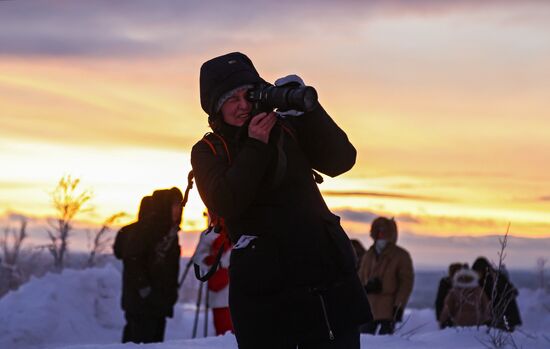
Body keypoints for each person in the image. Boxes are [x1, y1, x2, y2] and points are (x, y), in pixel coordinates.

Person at [191, 52, 370, 349]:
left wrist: (311, 115)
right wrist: (255, 146)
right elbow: (226, 202)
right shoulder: (208, 151)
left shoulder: (287, 128)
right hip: (267, 296)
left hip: (327, 282)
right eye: (231, 99)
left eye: (247, 94)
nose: (244, 105)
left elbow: (341, 161)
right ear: (215, 107)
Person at [122, 187, 183, 343]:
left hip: (159, 304)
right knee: (138, 343)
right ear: (165, 206)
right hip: (142, 305)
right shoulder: (145, 229)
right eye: (175, 205)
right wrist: (145, 289)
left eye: (180, 205)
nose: (179, 209)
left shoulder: (170, 233)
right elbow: (132, 259)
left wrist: (170, 293)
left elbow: (169, 269)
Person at [358, 217, 414, 335]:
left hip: (388, 310)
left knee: (386, 343)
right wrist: (365, 288)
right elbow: (360, 278)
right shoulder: (369, 255)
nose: (381, 234)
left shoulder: (401, 256)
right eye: (378, 231)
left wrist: (398, 307)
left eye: (384, 232)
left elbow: (406, 284)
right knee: (365, 342)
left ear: (391, 234)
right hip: (368, 308)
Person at [113, 195, 154, 342]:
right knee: (141, 335)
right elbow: (134, 260)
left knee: (131, 330)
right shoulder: (147, 233)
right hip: (143, 292)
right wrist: (144, 285)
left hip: (129, 292)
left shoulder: (126, 230)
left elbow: (118, 253)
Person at [193, 210, 233, 335]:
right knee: (224, 336)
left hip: (239, 292)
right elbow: (198, 260)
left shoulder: (237, 231)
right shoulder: (208, 235)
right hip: (220, 296)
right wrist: (213, 261)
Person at [472, 257, 522, 332]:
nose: (476, 275)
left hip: (503, 314)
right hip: (506, 314)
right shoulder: (495, 277)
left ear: (481, 270)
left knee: (502, 335)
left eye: (477, 272)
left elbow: (492, 299)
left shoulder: (490, 280)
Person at [435, 262, 467, 328]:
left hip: (448, 317)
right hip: (458, 318)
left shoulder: (445, 282)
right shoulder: (465, 283)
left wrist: (439, 318)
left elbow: (439, 301)